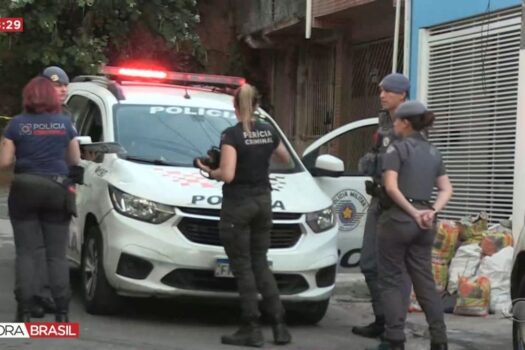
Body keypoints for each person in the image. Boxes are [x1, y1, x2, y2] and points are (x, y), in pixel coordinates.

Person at [196, 83, 291, 347]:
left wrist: (207, 169)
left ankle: (251, 326)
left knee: (243, 266)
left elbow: (227, 174)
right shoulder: (268, 131)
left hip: (238, 205)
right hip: (264, 201)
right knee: (260, 262)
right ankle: (280, 326)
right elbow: (285, 159)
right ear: (257, 105)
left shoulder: (232, 135)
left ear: (235, 107)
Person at [370, 101, 453, 350]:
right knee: (425, 280)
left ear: (406, 123)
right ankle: (439, 339)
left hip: (397, 219)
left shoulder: (397, 150)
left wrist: (412, 211)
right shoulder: (433, 152)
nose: (393, 124)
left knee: (392, 280)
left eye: (396, 121)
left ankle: (394, 338)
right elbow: (447, 189)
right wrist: (431, 211)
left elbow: (391, 187)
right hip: (425, 223)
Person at [0, 76, 80, 322]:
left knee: (26, 252)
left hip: (24, 188)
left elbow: (4, 162)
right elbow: (75, 161)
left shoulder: (16, 124)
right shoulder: (66, 124)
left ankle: (24, 313)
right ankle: (63, 316)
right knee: (56, 254)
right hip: (56, 189)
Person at [353, 73, 410, 338]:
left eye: (387, 91)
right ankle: (382, 319)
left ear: (402, 94)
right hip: (378, 200)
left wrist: (377, 159)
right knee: (369, 263)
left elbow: (396, 165)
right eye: (380, 90)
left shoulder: (410, 124)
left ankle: (393, 327)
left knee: (392, 271)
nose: (381, 94)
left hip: (398, 205)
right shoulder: (384, 121)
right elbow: (367, 162)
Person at [24, 65, 73, 318]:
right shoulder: (31, 115)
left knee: (53, 250)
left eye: (65, 85)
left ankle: (44, 295)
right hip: (38, 187)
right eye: (57, 85)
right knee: (35, 248)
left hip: (59, 188)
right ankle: (32, 298)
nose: (63, 89)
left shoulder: (69, 114)